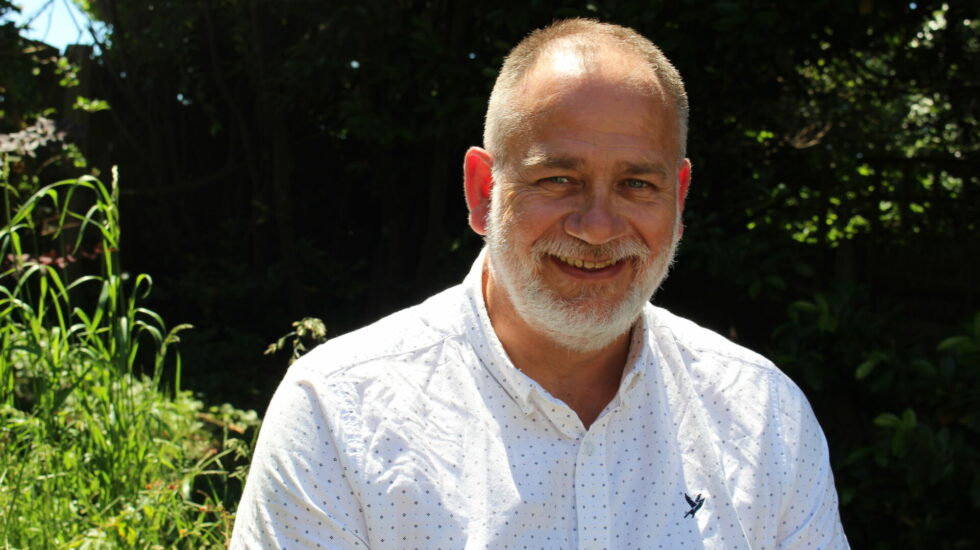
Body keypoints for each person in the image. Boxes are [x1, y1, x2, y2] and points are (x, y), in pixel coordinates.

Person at [231, 18, 849, 549]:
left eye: (637, 184)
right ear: (482, 192)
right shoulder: (339, 415)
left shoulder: (765, 418)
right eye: (558, 179)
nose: (599, 227)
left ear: (679, 199)